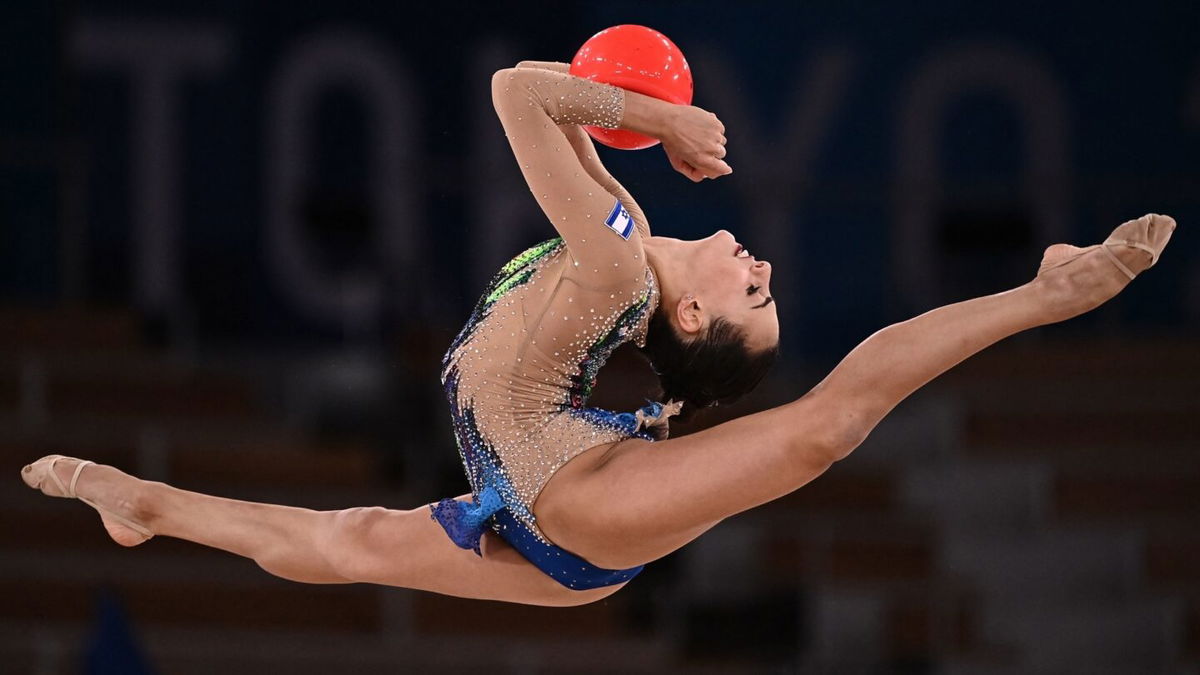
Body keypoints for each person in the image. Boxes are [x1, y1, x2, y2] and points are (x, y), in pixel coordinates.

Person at [21, 60, 1176, 608]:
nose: (761, 265)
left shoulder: (621, 256)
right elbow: (550, 96)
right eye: (765, 289)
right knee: (346, 543)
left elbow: (517, 93)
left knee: (827, 428)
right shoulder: (623, 242)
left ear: (688, 315)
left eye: (753, 296)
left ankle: (1045, 298)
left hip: (567, 503)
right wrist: (640, 116)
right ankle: (144, 505)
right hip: (546, 509)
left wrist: (659, 115)